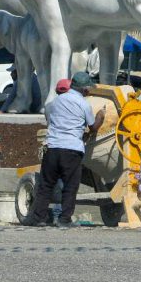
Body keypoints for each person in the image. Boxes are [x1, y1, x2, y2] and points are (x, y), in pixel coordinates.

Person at [24, 71, 104, 228]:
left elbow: (50, 119)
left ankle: (38, 218)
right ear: (84, 89)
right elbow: (93, 127)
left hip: (52, 148)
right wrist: (101, 115)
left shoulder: (54, 103)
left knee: (46, 185)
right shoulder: (83, 104)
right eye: (88, 88)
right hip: (72, 150)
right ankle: (64, 219)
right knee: (70, 186)